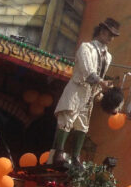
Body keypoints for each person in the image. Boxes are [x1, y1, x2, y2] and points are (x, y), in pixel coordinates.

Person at [51, 17, 119, 166]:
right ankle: (59, 152)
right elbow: (88, 71)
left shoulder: (108, 56)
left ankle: (76, 157)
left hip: (89, 93)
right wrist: (102, 83)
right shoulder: (86, 48)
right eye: (109, 34)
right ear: (101, 32)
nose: (110, 39)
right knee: (67, 118)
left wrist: (103, 95)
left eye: (113, 36)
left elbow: (99, 76)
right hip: (77, 88)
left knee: (83, 125)